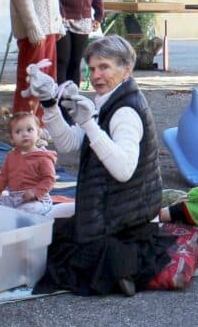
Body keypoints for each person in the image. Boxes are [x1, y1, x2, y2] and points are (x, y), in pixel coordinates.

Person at [29, 36, 170, 296]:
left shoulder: (126, 112)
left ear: (126, 69)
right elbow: (69, 143)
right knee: (48, 223)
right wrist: (49, 104)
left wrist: (90, 124)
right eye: (92, 69)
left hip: (125, 218)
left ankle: (122, 267)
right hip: (112, 207)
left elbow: (124, 170)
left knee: (58, 248)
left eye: (104, 67)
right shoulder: (105, 101)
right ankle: (120, 268)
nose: (96, 75)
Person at [0, 112, 57, 216]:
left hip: (37, 199)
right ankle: (10, 216)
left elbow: (49, 179)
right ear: (12, 138)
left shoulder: (43, 157)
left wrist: (35, 192)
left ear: (38, 133)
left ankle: (16, 218)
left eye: (29, 130)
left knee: (29, 209)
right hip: (14, 198)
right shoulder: (11, 156)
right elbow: (3, 177)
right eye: (18, 132)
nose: (24, 134)